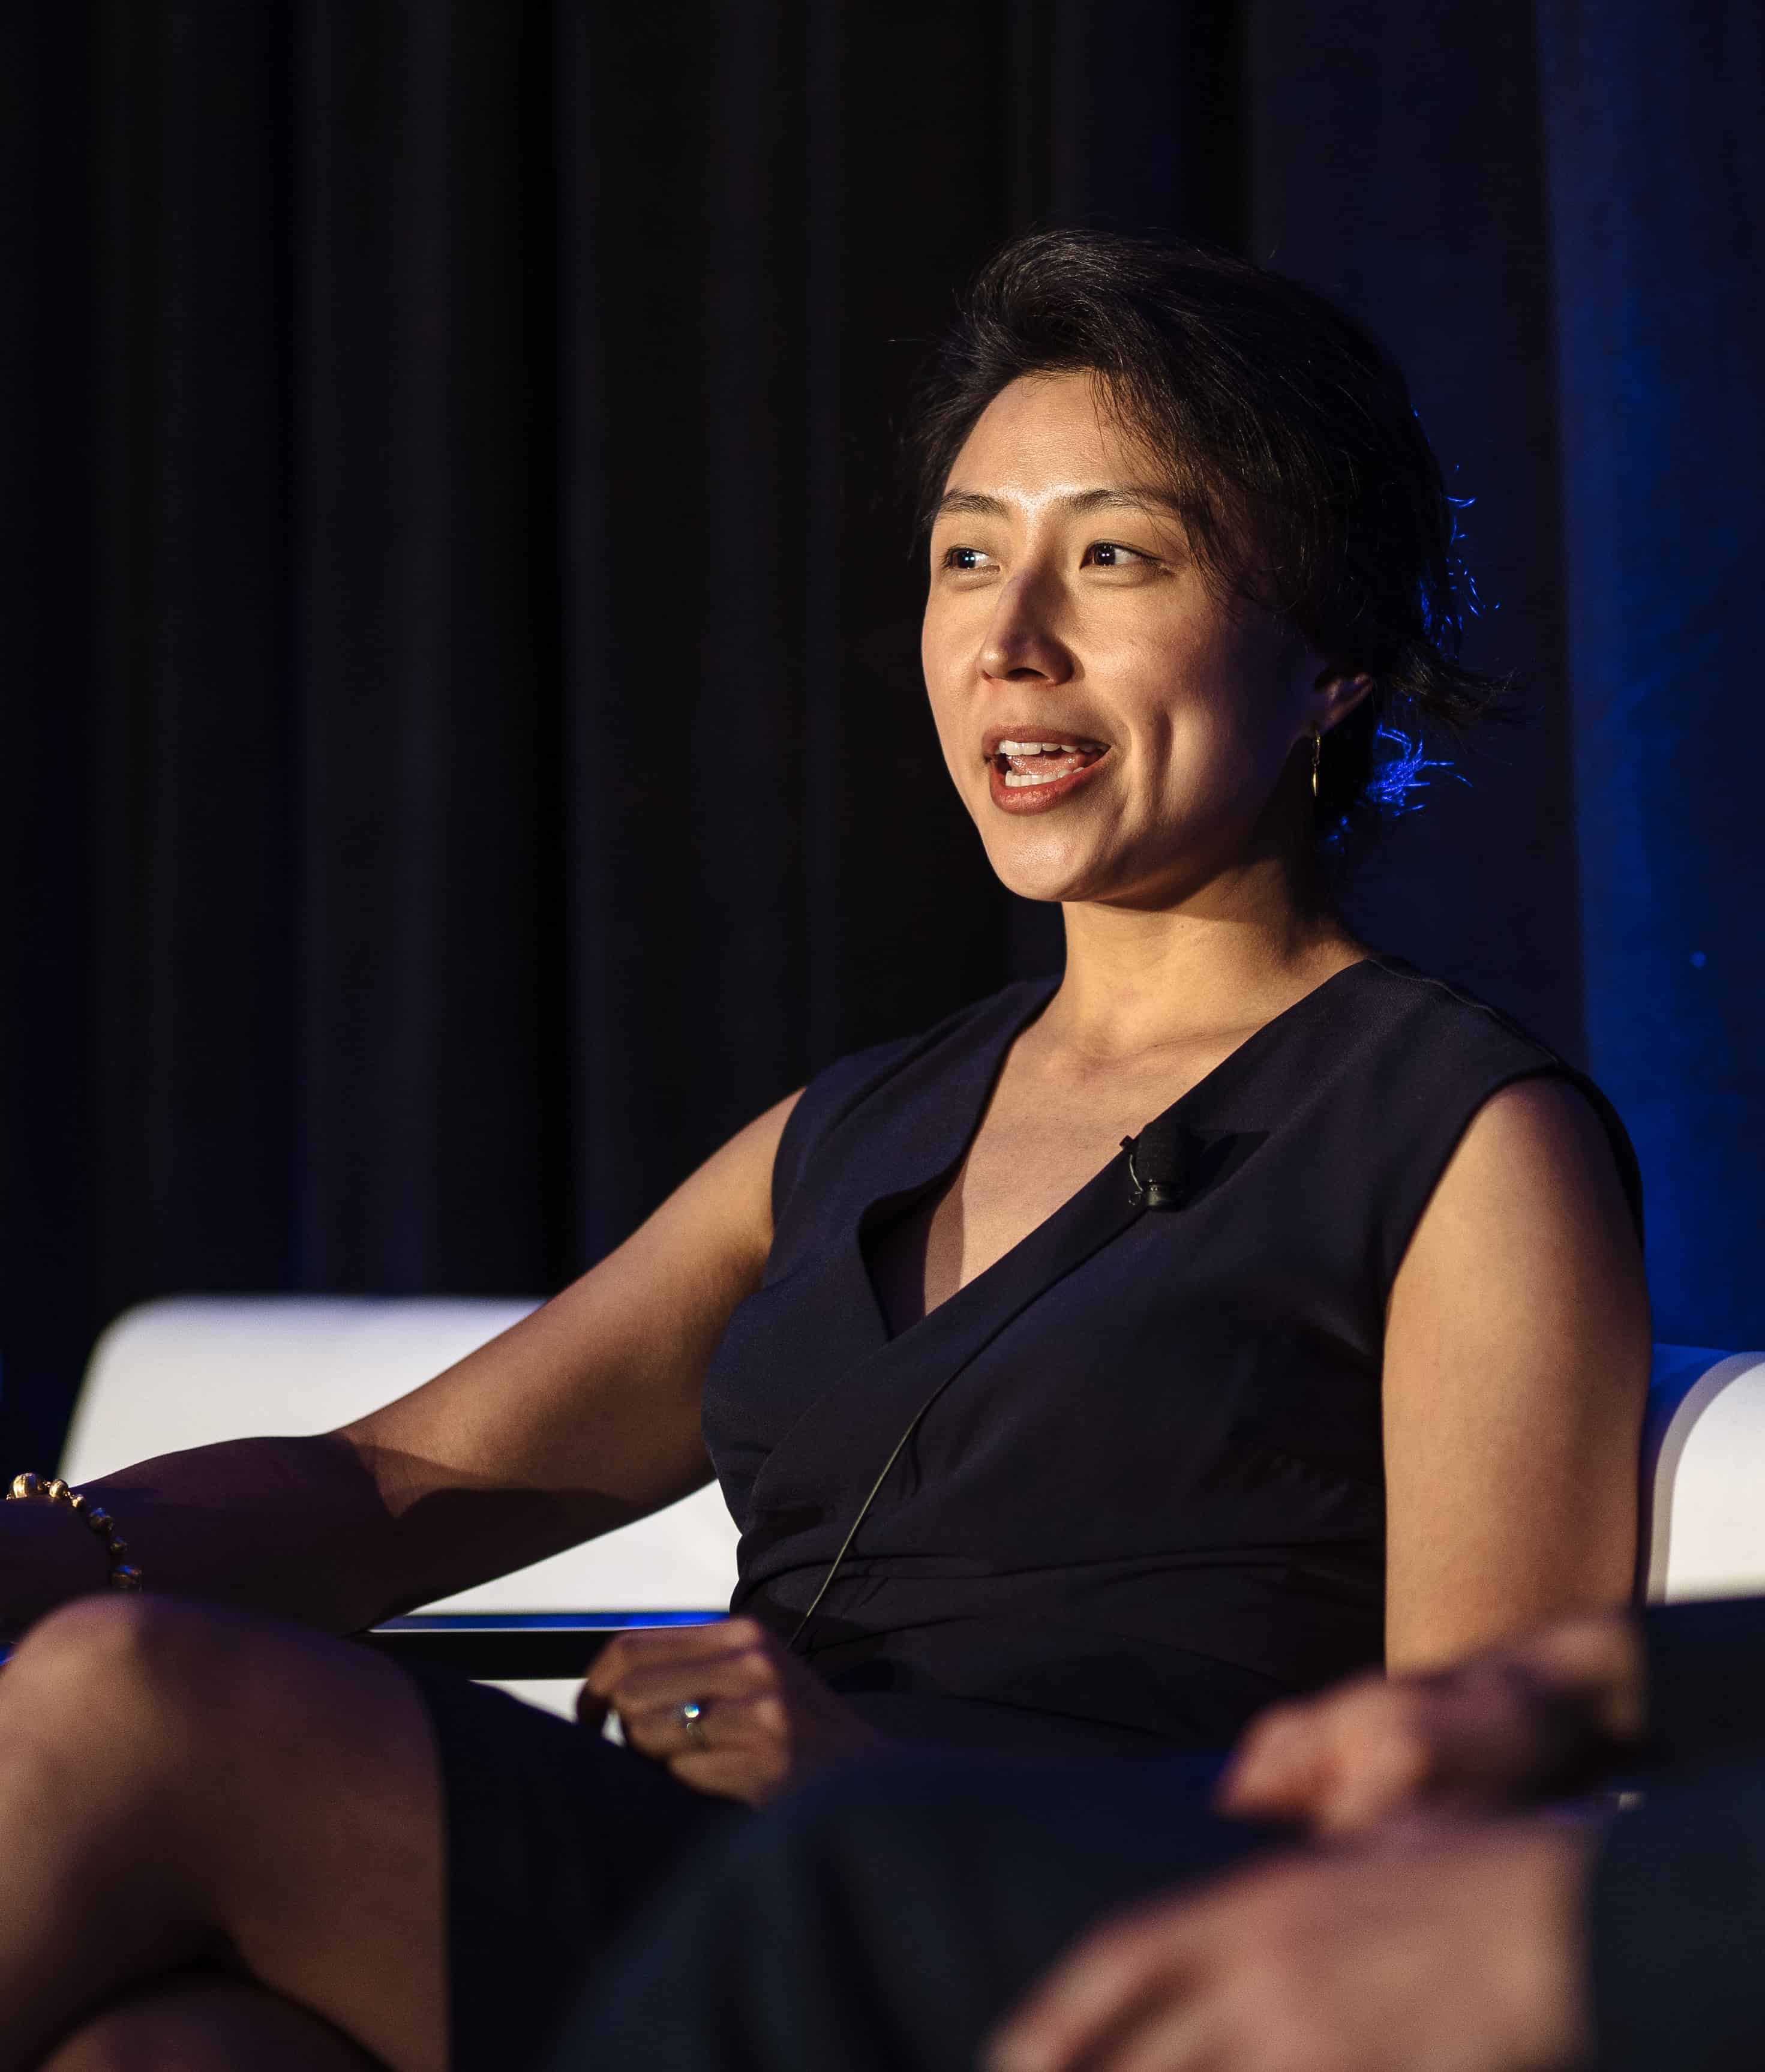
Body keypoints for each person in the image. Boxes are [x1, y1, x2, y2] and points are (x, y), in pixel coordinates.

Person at [0, 230, 1647, 2072]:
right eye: (967, 557)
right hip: (744, 1913)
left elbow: (1471, 1836)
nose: (1008, 640)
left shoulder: (1461, 1137)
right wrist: (60, 1544)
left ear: (1334, 657)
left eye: (1113, 555)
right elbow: (410, 1477)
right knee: (178, 2050)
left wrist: (879, 1783)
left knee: (134, 1695)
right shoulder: (854, 1122)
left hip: (1052, 1968)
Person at [548, 1570, 1765, 2072]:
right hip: (806, 1810)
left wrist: (1570, 1918)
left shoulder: (1438, 1114)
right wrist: (1584, 1676)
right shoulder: (852, 1120)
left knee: (849, 1887)